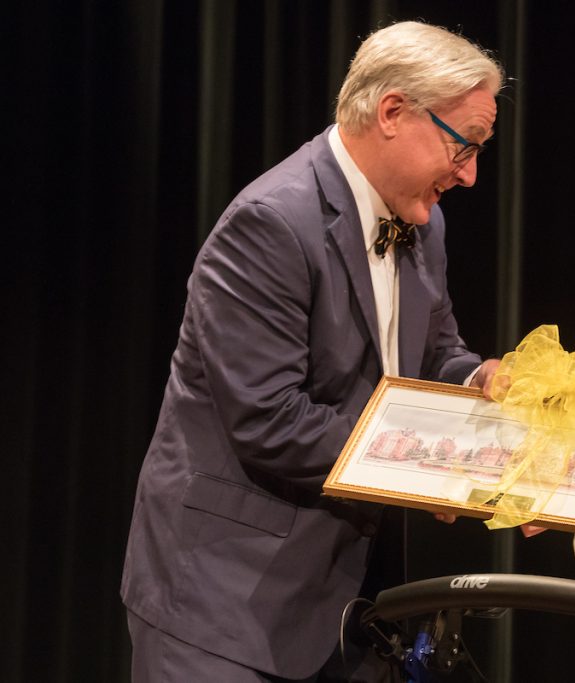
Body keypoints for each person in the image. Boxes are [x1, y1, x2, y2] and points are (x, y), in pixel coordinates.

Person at [121, 21, 503, 682]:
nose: (469, 174)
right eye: (463, 145)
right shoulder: (269, 222)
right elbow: (270, 419)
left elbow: (434, 352)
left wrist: (481, 382)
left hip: (347, 606)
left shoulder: (422, 221)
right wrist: (431, 469)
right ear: (392, 112)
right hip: (224, 604)